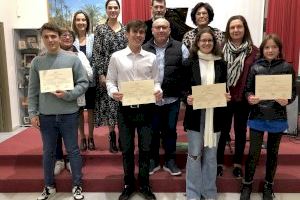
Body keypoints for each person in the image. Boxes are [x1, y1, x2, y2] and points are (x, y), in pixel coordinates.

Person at [28, 23, 88, 200]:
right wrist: (33, 113)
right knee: (48, 152)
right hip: (46, 116)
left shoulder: (72, 59)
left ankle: (77, 185)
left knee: (73, 150)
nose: (50, 40)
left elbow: (83, 83)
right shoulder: (37, 62)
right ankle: (48, 186)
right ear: (42, 39)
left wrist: (69, 95)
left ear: (59, 37)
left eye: (53, 36)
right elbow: (32, 91)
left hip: (69, 114)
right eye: (46, 37)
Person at [106, 20, 162, 200]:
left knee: (146, 149)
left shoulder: (151, 57)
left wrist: (158, 91)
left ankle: (144, 185)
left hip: (146, 109)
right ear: (126, 34)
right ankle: (128, 184)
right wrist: (113, 92)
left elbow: (156, 81)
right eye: (134, 32)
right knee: (127, 149)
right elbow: (110, 81)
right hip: (125, 110)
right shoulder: (117, 57)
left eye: (141, 32)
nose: (138, 35)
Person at [240, 34, 296, 200]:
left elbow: (292, 92)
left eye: (274, 47)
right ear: (262, 49)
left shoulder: (287, 67)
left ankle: (268, 185)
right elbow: (247, 90)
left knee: (273, 153)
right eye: (267, 47)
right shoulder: (255, 67)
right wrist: (250, 98)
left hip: (277, 116)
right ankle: (247, 184)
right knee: (253, 153)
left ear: (279, 49)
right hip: (258, 115)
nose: (270, 50)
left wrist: (288, 100)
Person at [183, 27, 230, 200]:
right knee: (194, 154)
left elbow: (223, 87)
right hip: (195, 115)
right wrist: (186, 97)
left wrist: (225, 95)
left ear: (214, 42)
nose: (207, 43)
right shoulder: (189, 63)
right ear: (197, 43)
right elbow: (183, 88)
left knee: (211, 156)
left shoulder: (221, 63)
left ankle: (209, 192)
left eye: (210, 40)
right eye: (203, 40)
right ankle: (193, 193)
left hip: (215, 115)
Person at [143, 18, 189, 176]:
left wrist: (184, 94)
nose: (161, 30)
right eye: (158, 27)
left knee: (170, 131)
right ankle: (153, 160)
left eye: (164, 27)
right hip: (151, 100)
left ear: (169, 30)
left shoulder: (180, 47)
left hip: (172, 99)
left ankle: (170, 160)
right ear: (152, 30)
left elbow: (187, 72)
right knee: (153, 131)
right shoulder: (144, 49)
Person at [217, 15, 258, 178]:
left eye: (239, 27)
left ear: (244, 28)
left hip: (243, 98)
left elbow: (257, 75)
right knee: (222, 130)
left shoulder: (254, 51)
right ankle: (218, 162)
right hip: (223, 97)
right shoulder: (219, 49)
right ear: (228, 30)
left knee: (240, 132)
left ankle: (237, 163)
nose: (236, 30)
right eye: (232, 27)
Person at [54, 28, 93, 176]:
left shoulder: (80, 55)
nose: (66, 37)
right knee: (56, 131)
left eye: (69, 35)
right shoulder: (50, 55)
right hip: (54, 98)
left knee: (71, 130)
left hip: (73, 97)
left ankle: (71, 159)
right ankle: (58, 159)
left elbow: (89, 75)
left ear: (73, 39)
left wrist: (76, 67)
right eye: (63, 35)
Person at [92, 0, 127, 153]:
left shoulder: (126, 29)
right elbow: (97, 53)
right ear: (106, 10)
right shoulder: (100, 29)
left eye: (115, 7)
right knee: (110, 106)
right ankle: (112, 135)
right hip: (107, 74)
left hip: (123, 73)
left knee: (122, 104)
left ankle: (122, 136)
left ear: (119, 10)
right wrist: (100, 74)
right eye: (110, 7)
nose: (113, 10)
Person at [72, 10, 96, 151]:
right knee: (79, 110)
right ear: (75, 22)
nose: (81, 22)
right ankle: (82, 138)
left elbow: (96, 58)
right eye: (78, 20)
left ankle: (91, 137)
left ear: (87, 22)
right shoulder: (70, 39)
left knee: (91, 110)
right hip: (76, 83)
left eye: (83, 20)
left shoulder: (93, 38)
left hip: (90, 81)